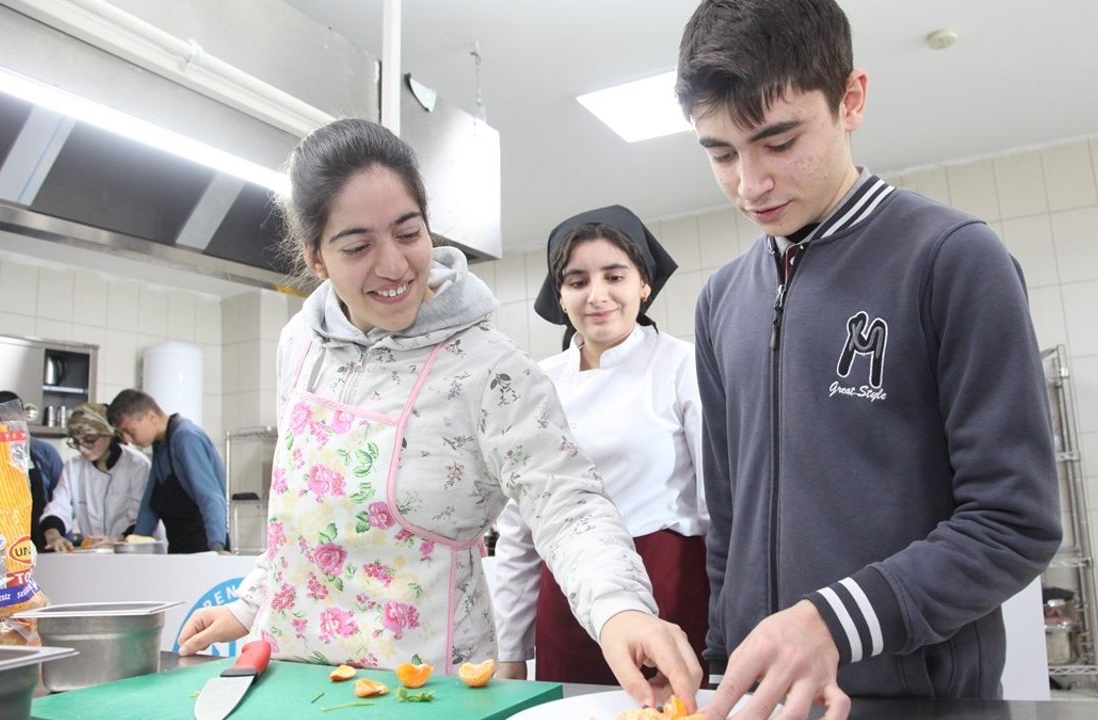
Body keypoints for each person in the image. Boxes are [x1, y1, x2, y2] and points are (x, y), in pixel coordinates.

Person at [172, 118, 701, 709]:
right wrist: (248, 605)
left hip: (429, 687)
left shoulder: (488, 369)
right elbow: (304, 519)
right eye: (357, 246)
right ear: (316, 258)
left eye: (408, 232)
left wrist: (620, 610)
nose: (394, 265)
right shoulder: (299, 345)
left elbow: (568, 504)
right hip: (293, 678)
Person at [675, 1, 1063, 718]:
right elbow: (727, 522)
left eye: (778, 141)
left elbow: (1016, 521)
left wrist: (831, 622)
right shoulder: (721, 301)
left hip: (918, 701)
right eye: (721, 153)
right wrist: (728, 663)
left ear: (850, 100)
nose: (749, 183)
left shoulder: (952, 260)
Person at [492, 206, 709, 685]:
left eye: (615, 275)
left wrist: (735, 622)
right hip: (567, 593)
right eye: (577, 281)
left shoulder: (682, 366)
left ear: (644, 284)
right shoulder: (538, 384)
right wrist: (509, 649)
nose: (597, 296)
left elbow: (722, 507)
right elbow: (519, 529)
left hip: (668, 587)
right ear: (561, 296)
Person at [107, 389, 228, 554]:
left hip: (205, 546)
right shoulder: (161, 444)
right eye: (122, 434)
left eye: (130, 431)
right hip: (179, 546)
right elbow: (150, 502)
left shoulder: (185, 437)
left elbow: (211, 496)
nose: (127, 439)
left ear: (151, 417)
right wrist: (135, 541)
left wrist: (217, 548)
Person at [39, 403, 151, 552]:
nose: (82, 448)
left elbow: (143, 518)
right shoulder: (73, 467)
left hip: (134, 554)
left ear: (110, 433)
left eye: (90, 440)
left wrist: (117, 540)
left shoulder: (137, 465)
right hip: (94, 554)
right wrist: (53, 535)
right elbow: (59, 508)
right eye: (76, 442)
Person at [0, 391, 63, 542]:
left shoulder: (44, 453)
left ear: (23, 416)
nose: (7, 429)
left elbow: (59, 501)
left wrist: (55, 533)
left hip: (42, 543)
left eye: (12, 422)